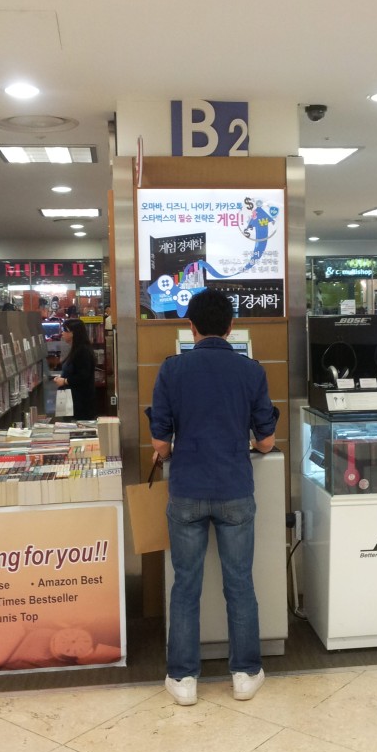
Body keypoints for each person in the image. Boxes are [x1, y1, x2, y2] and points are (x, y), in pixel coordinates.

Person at [148, 287, 279, 707]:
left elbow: (161, 444)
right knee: (239, 582)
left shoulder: (171, 369)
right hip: (235, 490)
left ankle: (183, 679)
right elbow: (266, 441)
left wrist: (171, 447)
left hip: (186, 490)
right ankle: (245, 674)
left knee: (185, 585)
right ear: (231, 326)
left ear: (191, 326)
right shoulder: (251, 371)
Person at [53, 318, 96, 420]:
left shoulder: (83, 351)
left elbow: (83, 376)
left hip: (80, 402)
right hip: (72, 400)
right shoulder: (76, 349)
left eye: (65, 330)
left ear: (73, 333)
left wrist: (65, 381)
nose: (62, 333)